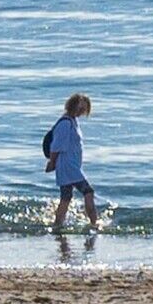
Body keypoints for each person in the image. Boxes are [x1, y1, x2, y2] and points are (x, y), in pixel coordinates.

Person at [44, 93, 103, 232]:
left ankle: (57, 225)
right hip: (68, 167)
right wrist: (52, 163)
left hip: (71, 166)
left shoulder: (72, 121)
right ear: (72, 106)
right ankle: (94, 223)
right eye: (80, 107)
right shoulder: (65, 123)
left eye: (84, 108)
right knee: (88, 191)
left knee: (66, 197)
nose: (81, 111)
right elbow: (56, 147)